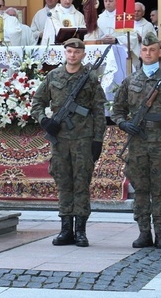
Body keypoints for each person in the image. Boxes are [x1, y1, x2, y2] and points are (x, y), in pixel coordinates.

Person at [111, 33, 161, 250]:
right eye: (144, 50)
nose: (148, 53)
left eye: (152, 49)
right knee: (141, 189)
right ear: (140, 52)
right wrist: (124, 124)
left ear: (159, 52)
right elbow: (117, 110)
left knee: (160, 190)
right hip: (138, 143)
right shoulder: (130, 81)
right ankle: (144, 232)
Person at [30, 38, 107, 247]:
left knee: (81, 183)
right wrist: (44, 120)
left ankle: (80, 231)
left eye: (76, 52)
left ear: (83, 55)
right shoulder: (53, 76)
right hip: (60, 140)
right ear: (64, 53)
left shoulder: (90, 78)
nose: (72, 55)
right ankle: (66, 230)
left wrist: (98, 139)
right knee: (63, 183)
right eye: (69, 51)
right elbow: (37, 103)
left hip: (83, 139)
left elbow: (99, 110)